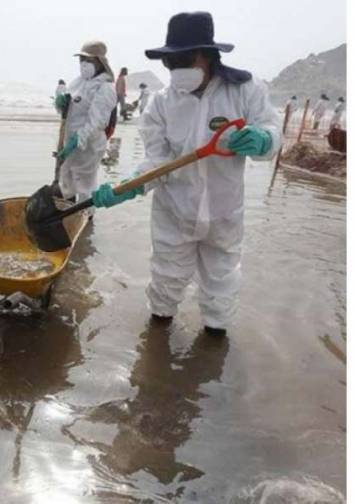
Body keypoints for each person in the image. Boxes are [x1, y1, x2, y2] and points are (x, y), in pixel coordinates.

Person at [91, 11, 281, 337]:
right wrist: (127, 186)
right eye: (170, 61)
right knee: (165, 281)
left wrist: (264, 140)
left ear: (207, 55)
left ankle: (213, 343)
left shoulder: (244, 89)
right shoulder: (161, 104)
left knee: (221, 283)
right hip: (174, 211)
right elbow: (157, 161)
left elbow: (271, 131)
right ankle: (160, 327)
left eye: (183, 59)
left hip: (224, 213)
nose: (175, 68)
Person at [54, 41, 117, 204]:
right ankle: (68, 214)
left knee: (84, 185)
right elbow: (69, 110)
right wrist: (60, 103)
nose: (84, 64)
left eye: (89, 60)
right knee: (66, 181)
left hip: (89, 145)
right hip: (69, 140)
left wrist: (77, 140)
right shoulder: (77, 82)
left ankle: (86, 217)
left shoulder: (105, 88)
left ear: (100, 62)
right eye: (82, 60)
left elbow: (96, 122)